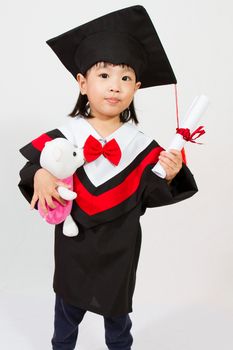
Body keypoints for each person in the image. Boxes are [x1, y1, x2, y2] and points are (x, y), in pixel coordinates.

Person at [18, 5, 198, 350]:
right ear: (82, 83)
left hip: (121, 246)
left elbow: (151, 195)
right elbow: (33, 169)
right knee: (66, 313)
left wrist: (170, 174)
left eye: (126, 78)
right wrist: (40, 172)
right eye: (103, 76)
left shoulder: (142, 146)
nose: (115, 86)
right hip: (74, 244)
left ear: (136, 88)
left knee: (117, 319)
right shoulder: (66, 135)